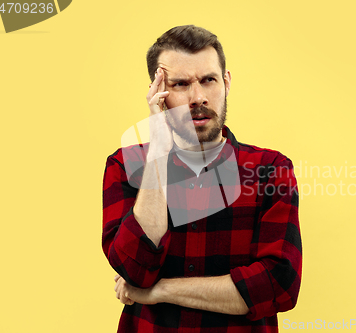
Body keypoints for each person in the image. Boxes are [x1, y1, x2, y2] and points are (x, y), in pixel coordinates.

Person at [102, 25, 302, 333]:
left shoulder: (270, 170)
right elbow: (134, 269)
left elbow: (278, 285)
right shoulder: (126, 165)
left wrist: (159, 292)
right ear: (158, 93)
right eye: (180, 84)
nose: (198, 97)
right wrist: (158, 147)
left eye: (208, 80)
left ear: (226, 82)